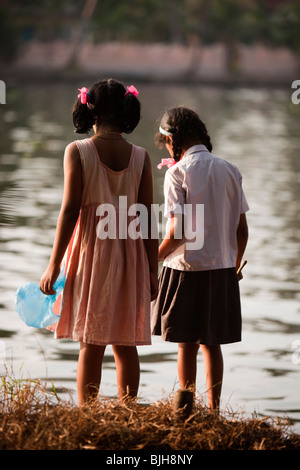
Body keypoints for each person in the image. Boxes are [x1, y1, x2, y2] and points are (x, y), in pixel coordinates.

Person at [39, 79, 158, 405]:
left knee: (89, 343)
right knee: (125, 343)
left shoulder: (77, 151)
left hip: (91, 254)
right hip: (130, 255)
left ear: (89, 108)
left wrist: (53, 263)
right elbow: (148, 219)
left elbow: (69, 211)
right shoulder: (141, 156)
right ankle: (128, 410)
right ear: (125, 112)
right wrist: (152, 271)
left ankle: (87, 414)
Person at [151, 106, 249, 411]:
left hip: (186, 270)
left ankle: (185, 409)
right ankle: (215, 410)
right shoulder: (230, 169)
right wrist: (234, 264)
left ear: (172, 140)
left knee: (186, 344)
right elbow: (242, 231)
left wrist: (151, 257)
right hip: (221, 269)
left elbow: (179, 232)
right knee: (212, 343)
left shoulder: (177, 173)